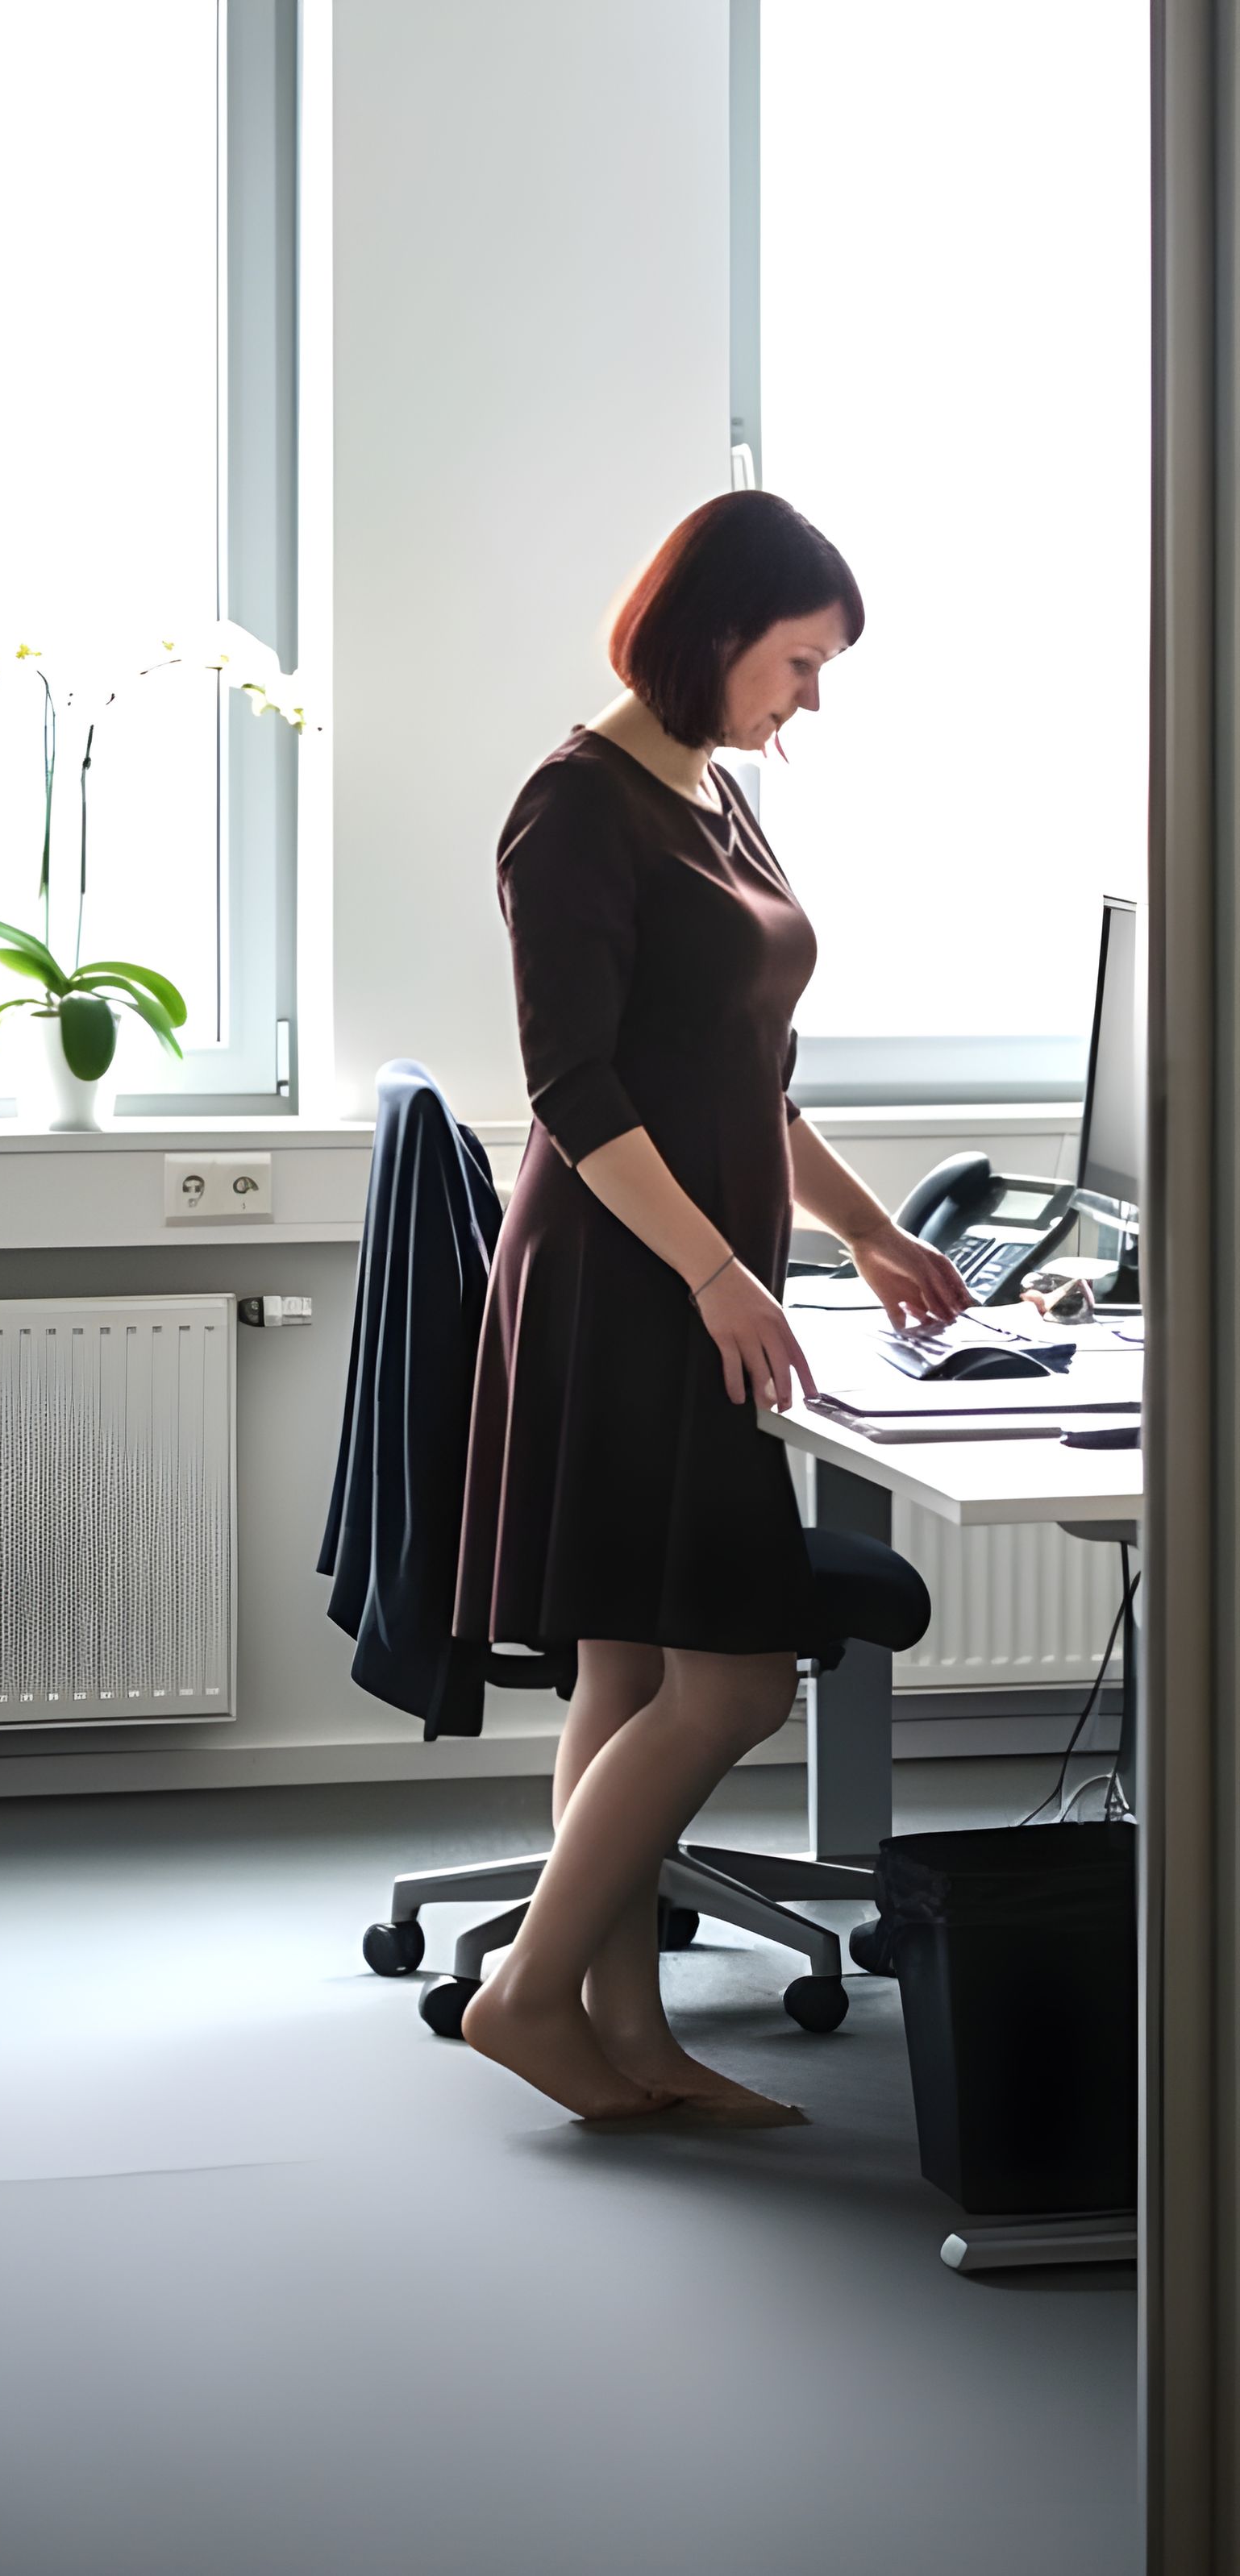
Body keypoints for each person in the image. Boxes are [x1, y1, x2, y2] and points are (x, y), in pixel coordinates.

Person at [451, 490, 968, 2125]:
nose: (805, 699)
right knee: (733, 1679)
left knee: (621, 1670)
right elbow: (575, 1090)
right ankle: (527, 1991)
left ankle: (621, 2029)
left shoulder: (716, 799)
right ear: (712, 630)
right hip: (626, 1285)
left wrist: (871, 1234)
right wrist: (721, 1271)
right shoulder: (574, 807)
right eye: (797, 663)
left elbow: (757, 1075)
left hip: (688, 1278)